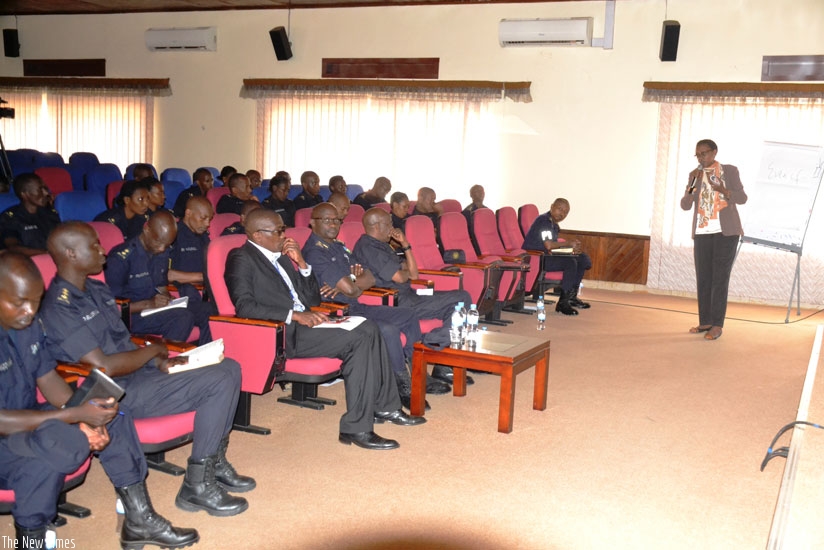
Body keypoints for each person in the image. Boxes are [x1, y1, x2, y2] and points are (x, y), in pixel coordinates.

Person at [41, 222, 253, 517]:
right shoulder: (60, 307)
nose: (103, 250)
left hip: (139, 374)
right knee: (218, 380)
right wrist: (153, 350)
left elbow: (124, 340)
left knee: (229, 367)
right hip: (115, 392)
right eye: (94, 245)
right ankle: (197, 486)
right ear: (71, 254)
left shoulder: (96, 289)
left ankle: (213, 462)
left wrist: (159, 361)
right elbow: (103, 366)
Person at [0, 251, 199, 550]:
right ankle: (32, 539)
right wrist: (74, 417)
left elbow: (48, 379)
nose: (29, 311)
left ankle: (138, 518)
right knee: (56, 448)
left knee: (109, 411)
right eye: (19, 303)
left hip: (29, 421)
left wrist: (85, 415)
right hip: (7, 432)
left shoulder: (26, 326)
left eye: (36, 301)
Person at [225, 209, 425, 450]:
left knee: (370, 329)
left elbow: (311, 299)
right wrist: (294, 315)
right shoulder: (241, 258)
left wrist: (302, 264)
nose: (284, 236)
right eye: (278, 231)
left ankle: (386, 407)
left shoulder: (283, 258)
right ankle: (357, 427)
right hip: (281, 332)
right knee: (360, 338)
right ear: (258, 235)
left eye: (283, 230)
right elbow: (244, 306)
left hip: (309, 322)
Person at [302, 203, 435, 410]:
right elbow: (353, 289)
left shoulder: (338, 246)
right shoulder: (314, 252)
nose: (333, 224)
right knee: (388, 330)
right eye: (327, 220)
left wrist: (349, 280)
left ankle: (419, 373)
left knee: (408, 315)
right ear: (312, 223)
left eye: (337, 220)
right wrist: (352, 282)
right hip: (336, 312)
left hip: (356, 306)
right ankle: (402, 386)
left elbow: (370, 278)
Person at [354, 208, 473, 386]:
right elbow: (400, 277)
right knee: (461, 298)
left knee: (459, 301)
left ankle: (441, 359)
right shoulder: (368, 247)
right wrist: (404, 273)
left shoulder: (383, 245)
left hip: (410, 294)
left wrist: (405, 244)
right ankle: (432, 344)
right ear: (377, 226)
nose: (393, 228)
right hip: (397, 300)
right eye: (389, 223)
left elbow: (414, 274)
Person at [104, 211, 211, 344]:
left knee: (209, 311)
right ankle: (163, 356)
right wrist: (149, 304)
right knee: (183, 318)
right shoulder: (120, 259)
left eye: (166, 244)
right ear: (146, 229)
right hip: (133, 315)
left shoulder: (162, 250)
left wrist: (166, 296)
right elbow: (112, 306)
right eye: (158, 242)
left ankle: (205, 353)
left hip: (156, 308)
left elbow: (160, 284)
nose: (161, 248)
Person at [680, 139, 748, 341]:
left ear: (714, 152)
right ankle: (706, 321)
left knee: (719, 279)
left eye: (704, 153)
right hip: (702, 232)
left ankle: (717, 325)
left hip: (726, 232)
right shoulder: (695, 175)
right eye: (698, 155)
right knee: (703, 277)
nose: (701, 158)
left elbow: (742, 198)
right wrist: (691, 186)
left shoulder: (729, 171)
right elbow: (685, 205)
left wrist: (722, 189)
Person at [522, 198, 592, 316]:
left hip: (547, 255)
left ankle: (571, 297)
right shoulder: (544, 221)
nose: (562, 214)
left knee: (582, 259)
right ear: (551, 207)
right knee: (570, 263)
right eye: (560, 209)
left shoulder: (553, 224)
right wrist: (568, 244)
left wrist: (570, 249)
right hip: (537, 259)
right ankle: (563, 303)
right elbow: (548, 245)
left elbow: (552, 246)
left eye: (565, 212)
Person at [168, 196, 218, 344]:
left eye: (210, 219)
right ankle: (205, 353)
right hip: (179, 294)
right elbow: (166, 274)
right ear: (188, 213)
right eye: (203, 218)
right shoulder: (173, 235)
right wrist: (203, 277)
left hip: (203, 292)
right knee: (212, 312)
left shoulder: (202, 236)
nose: (207, 224)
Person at [0, 173, 60, 256]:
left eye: (45, 188)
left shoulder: (50, 214)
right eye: (40, 189)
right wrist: (46, 254)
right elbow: (12, 248)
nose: (46, 193)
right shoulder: (10, 218)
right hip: (25, 261)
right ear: (25, 195)